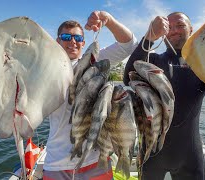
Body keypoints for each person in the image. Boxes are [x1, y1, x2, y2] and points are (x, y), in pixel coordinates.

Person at [123, 12, 205, 180]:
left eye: (180, 26)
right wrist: (149, 36)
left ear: (191, 29)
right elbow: (127, 77)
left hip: (189, 154)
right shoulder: (152, 60)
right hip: (152, 152)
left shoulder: (204, 64)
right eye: (170, 27)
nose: (174, 31)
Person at [43, 10, 137, 180]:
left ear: (83, 42)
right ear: (58, 41)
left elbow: (128, 44)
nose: (73, 41)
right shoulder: (46, 70)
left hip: (96, 159)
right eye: (66, 37)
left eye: (78, 38)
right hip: (57, 162)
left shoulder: (94, 61)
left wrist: (109, 21)